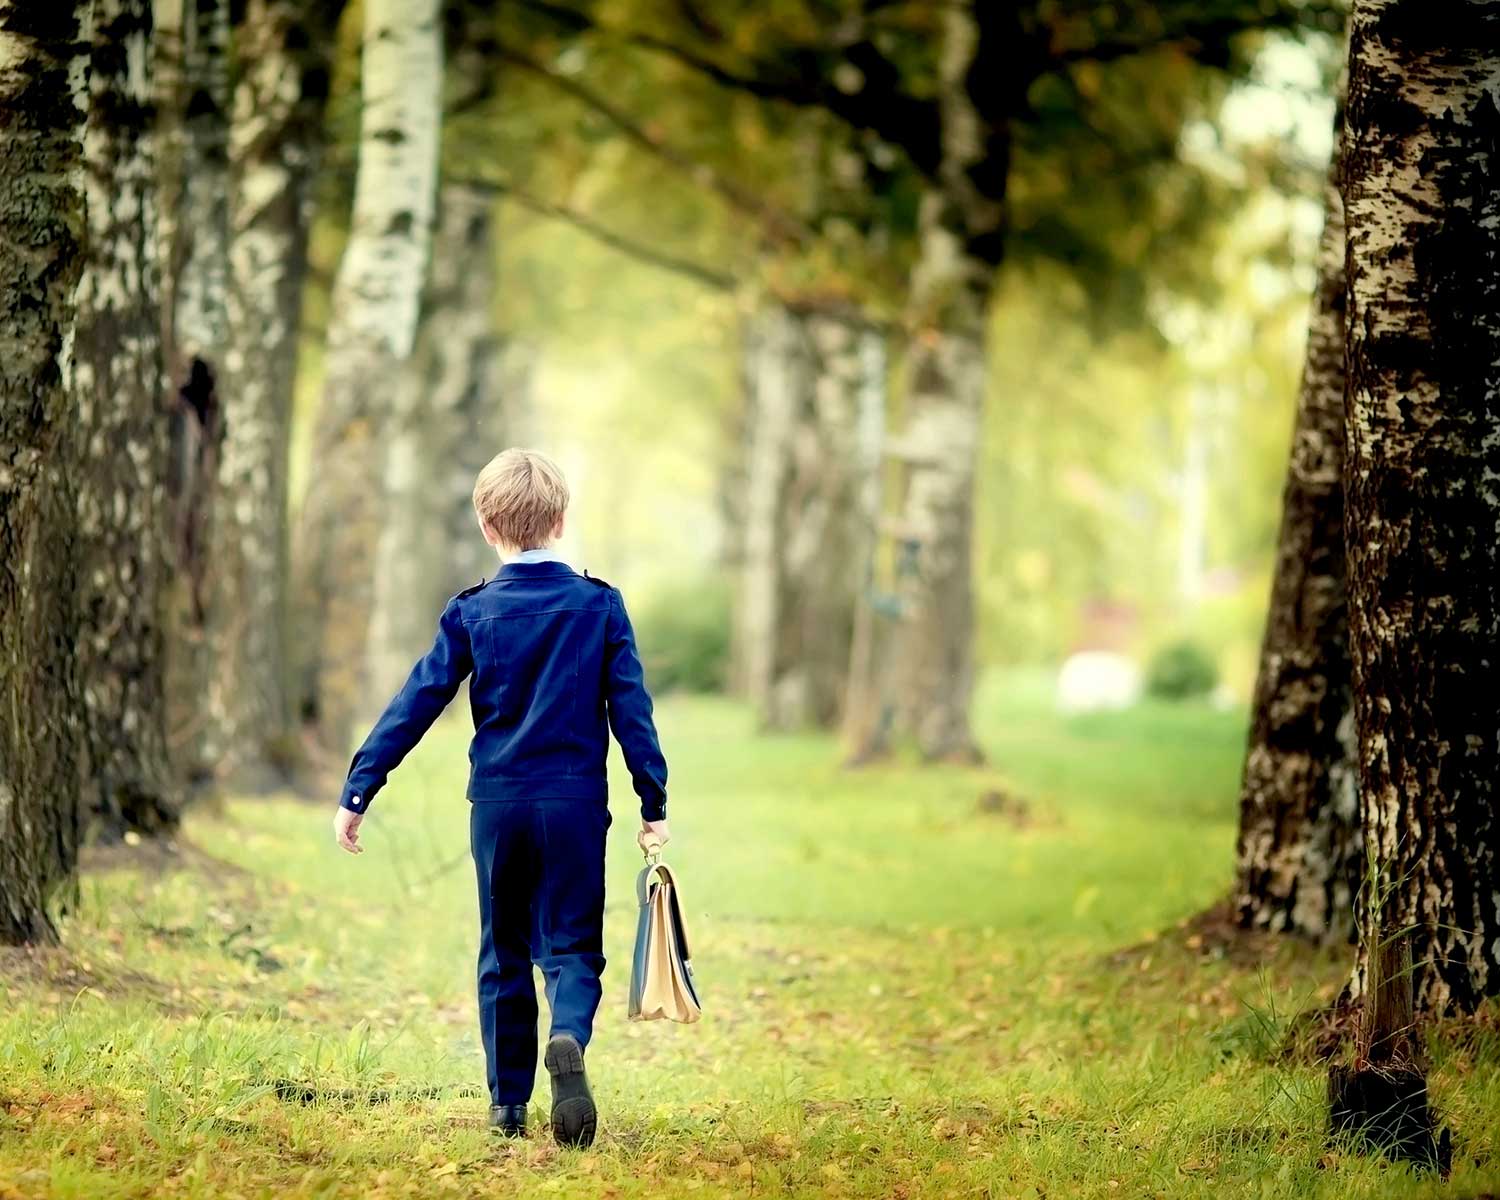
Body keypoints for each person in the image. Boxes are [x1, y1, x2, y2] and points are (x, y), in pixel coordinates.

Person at [331, 448, 669, 1148]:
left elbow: (417, 700)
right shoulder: (599, 606)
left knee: (502, 950)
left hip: (499, 805)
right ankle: (568, 1034)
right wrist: (652, 800)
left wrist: (361, 784)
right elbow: (631, 710)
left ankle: (506, 1109)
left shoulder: (472, 612)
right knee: (573, 946)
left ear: (488, 527)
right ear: (563, 520)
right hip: (575, 804)